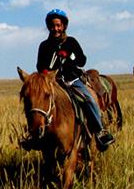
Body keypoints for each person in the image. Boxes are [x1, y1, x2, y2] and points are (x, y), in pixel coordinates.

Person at [25, 8, 114, 150]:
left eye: (58, 25)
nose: (56, 29)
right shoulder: (44, 46)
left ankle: (99, 131)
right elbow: (39, 65)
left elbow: (82, 60)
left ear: (64, 26)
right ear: (49, 26)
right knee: (35, 102)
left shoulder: (71, 42)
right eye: (53, 26)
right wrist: (46, 72)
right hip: (52, 83)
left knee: (89, 99)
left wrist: (69, 56)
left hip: (72, 81)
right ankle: (33, 134)